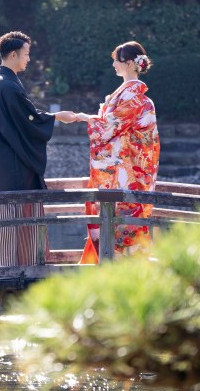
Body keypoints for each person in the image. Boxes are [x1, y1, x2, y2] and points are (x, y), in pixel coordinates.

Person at [0, 31, 77, 266]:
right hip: (13, 164)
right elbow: (29, 120)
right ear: (13, 54)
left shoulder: (5, 81)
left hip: (7, 161)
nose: (28, 59)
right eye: (26, 54)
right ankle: (14, 269)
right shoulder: (8, 85)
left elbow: (27, 118)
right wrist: (57, 116)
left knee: (11, 219)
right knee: (14, 217)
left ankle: (13, 265)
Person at [74, 41, 160, 263]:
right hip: (133, 169)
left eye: (116, 60)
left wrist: (82, 117)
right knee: (121, 217)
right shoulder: (137, 97)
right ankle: (123, 263)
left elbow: (108, 128)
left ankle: (118, 265)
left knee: (120, 216)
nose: (113, 64)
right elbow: (112, 125)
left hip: (126, 173)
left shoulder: (132, 97)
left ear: (130, 64)